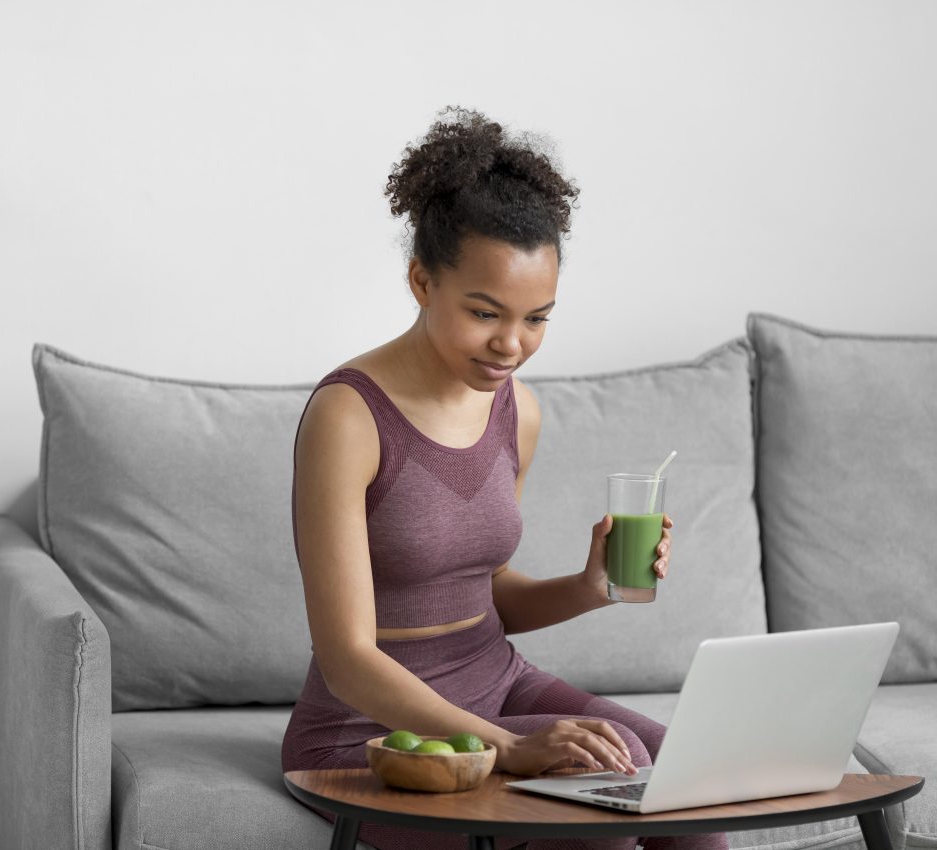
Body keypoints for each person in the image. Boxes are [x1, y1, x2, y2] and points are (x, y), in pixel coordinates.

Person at [280, 105, 728, 850]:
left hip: (498, 680)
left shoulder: (517, 410)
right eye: (486, 312)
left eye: (537, 319)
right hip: (370, 731)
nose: (511, 345)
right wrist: (510, 749)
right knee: (600, 796)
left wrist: (591, 586)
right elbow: (348, 660)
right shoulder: (347, 417)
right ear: (422, 281)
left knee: (693, 779)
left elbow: (483, 593)